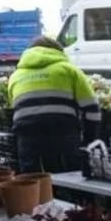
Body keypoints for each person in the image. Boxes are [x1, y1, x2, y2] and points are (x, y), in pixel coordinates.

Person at [7, 36, 100, 173]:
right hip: (62, 131)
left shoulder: (15, 76)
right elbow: (92, 108)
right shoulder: (69, 70)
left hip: (27, 134)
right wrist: (89, 140)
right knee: (71, 177)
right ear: (58, 51)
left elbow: (14, 109)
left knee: (33, 182)